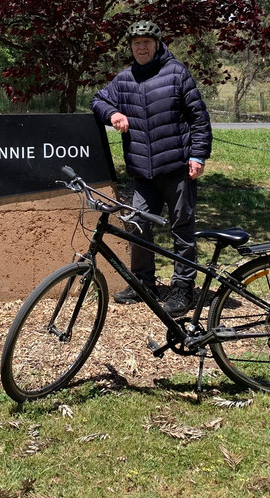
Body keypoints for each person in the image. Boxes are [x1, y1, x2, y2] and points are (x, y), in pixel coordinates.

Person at [90, 20, 212, 316]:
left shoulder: (176, 73)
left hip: (178, 168)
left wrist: (198, 156)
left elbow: (199, 118)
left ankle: (183, 289)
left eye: (146, 42)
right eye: (136, 43)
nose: (141, 47)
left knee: (182, 228)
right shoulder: (124, 79)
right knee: (137, 225)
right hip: (142, 173)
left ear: (157, 44)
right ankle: (143, 283)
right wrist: (113, 113)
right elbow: (98, 101)